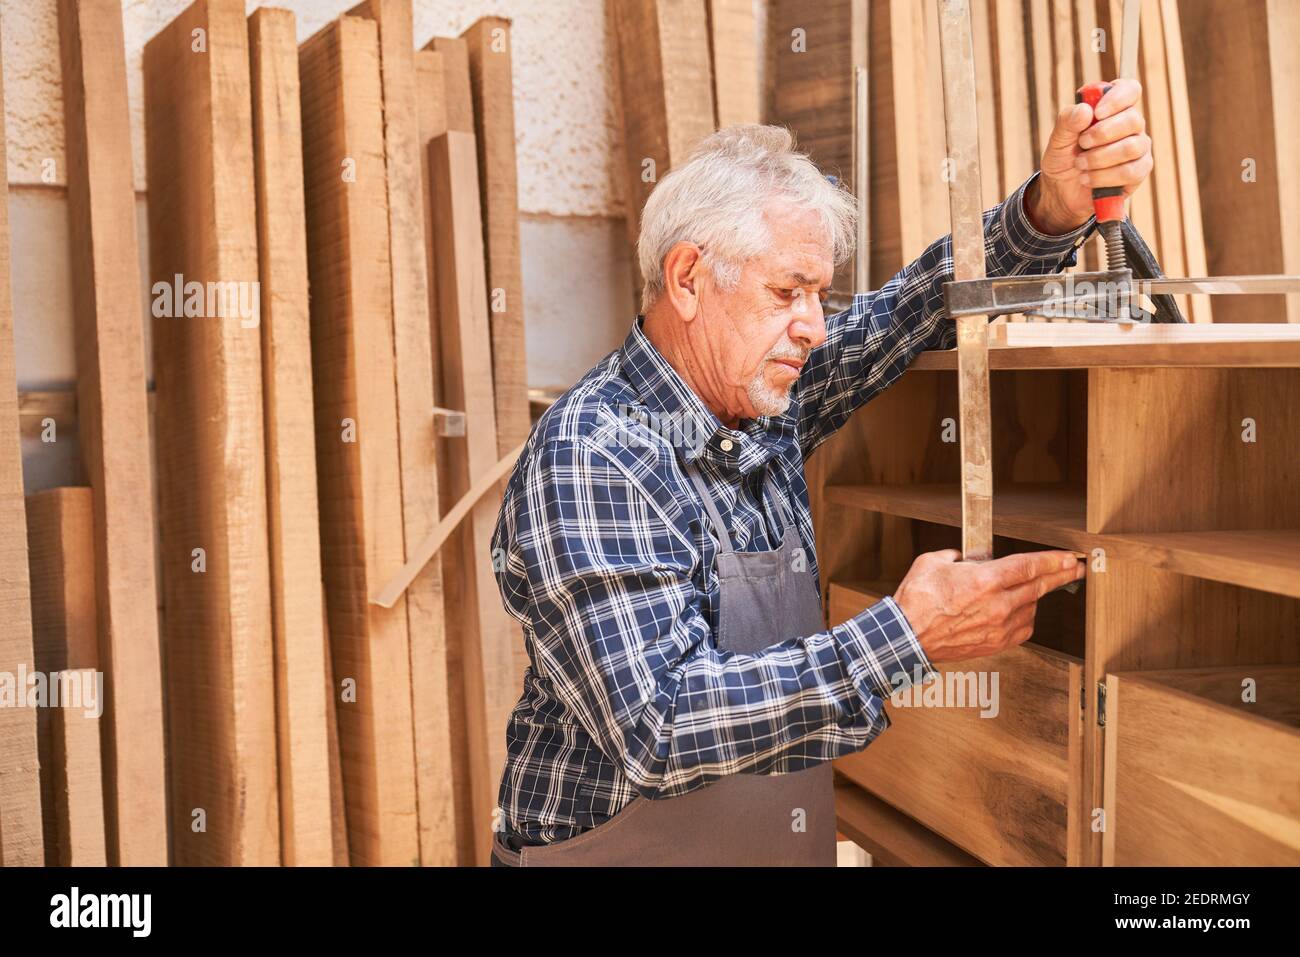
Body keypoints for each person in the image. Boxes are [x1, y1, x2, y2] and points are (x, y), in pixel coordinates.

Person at [489, 81, 1150, 866]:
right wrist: (905, 635)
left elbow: (911, 308)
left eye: (821, 295)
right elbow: (659, 726)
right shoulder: (596, 451)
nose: (812, 325)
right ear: (689, 278)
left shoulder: (763, 399)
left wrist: (1051, 209)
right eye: (786, 292)